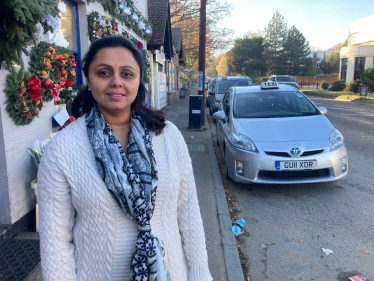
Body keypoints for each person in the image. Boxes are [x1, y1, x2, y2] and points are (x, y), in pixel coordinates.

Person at [38, 36, 213, 281]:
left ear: (139, 79)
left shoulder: (169, 136)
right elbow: (56, 241)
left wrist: (200, 274)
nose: (116, 82)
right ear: (88, 79)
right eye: (104, 72)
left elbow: (188, 212)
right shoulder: (63, 149)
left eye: (127, 74)